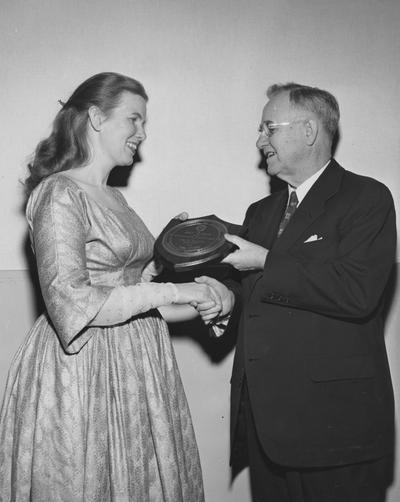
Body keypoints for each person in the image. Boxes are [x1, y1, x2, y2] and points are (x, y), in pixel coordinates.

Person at [0, 72, 222, 501]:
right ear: (97, 118)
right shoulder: (59, 193)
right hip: (81, 367)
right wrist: (178, 292)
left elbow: (136, 293)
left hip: (139, 359)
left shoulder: (114, 197)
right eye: (134, 120)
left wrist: (201, 296)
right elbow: (71, 302)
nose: (142, 133)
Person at [196, 83, 396, 502]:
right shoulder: (261, 212)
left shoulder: (367, 198)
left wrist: (266, 261)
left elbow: (357, 292)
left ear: (308, 130)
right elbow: (258, 296)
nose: (259, 140)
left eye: (269, 128)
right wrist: (224, 301)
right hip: (269, 429)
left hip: (336, 431)